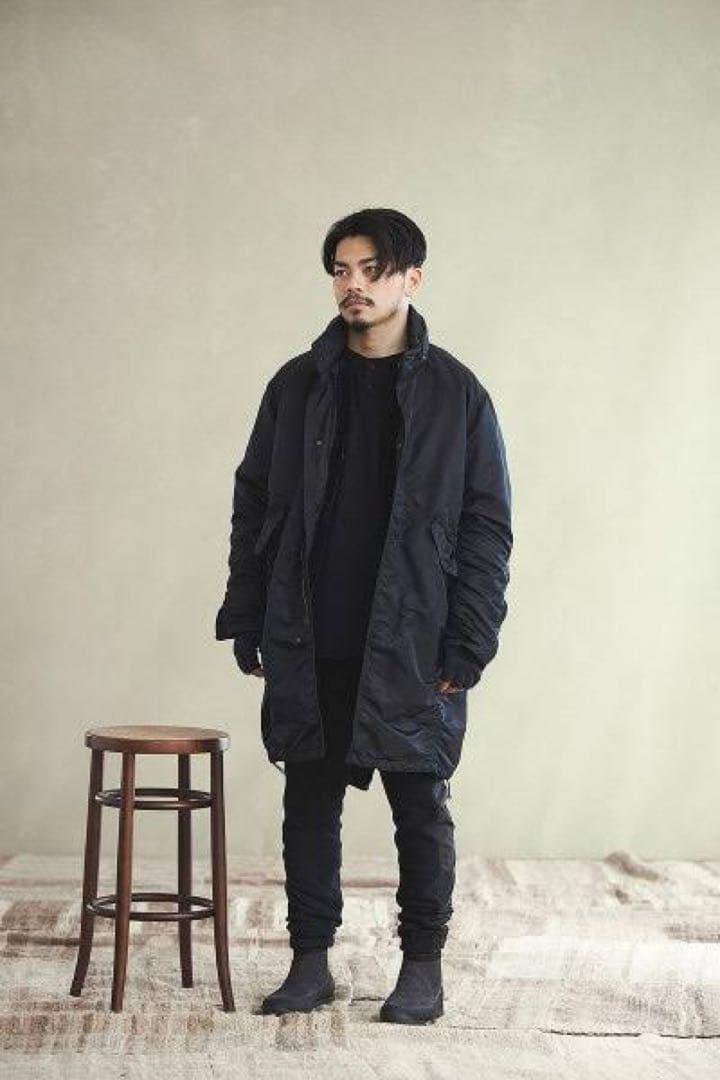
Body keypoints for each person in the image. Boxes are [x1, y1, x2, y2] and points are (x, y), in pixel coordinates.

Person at [215, 207, 513, 1024]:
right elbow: (254, 505)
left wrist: (470, 639)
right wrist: (248, 612)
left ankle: (423, 968)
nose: (354, 285)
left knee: (420, 805)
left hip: (414, 639)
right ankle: (309, 962)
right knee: (308, 803)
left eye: (372, 270)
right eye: (342, 270)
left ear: (412, 278)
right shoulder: (297, 385)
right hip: (310, 631)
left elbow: (487, 524)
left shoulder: (457, 394)